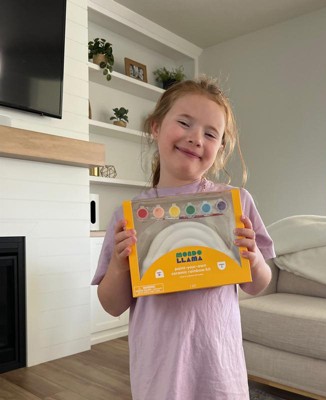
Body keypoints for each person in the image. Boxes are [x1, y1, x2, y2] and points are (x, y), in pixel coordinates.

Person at [92, 76, 275, 400]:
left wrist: (255, 259)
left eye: (210, 133)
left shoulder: (236, 203)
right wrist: (120, 266)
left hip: (218, 366)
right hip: (159, 370)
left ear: (220, 148)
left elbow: (257, 285)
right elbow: (111, 305)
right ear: (156, 126)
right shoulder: (128, 216)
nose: (195, 138)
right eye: (184, 123)